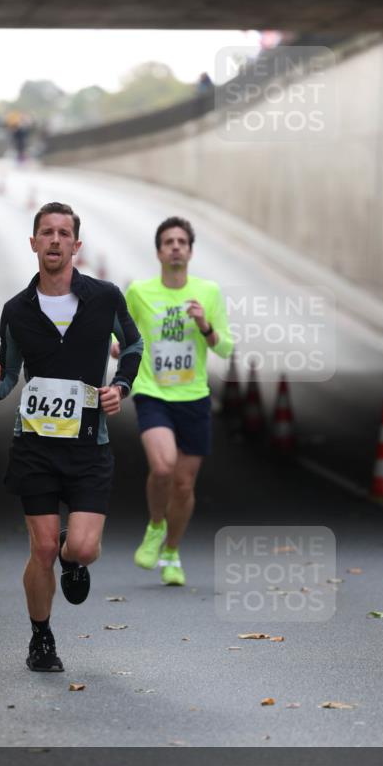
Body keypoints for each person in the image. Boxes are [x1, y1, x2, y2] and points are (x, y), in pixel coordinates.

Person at [0, 202, 143, 673]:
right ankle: (41, 640)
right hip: (35, 448)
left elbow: (133, 345)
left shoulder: (105, 297)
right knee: (41, 549)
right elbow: (7, 376)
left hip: (91, 446)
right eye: (46, 232)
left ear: (76, 245)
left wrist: (120, 387)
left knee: (82, 549)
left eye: (63, 233)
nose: (54, 240)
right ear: (33, 243)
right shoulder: (16, 310)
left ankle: (74, 556)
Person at [124, 216, 232, 586]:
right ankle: (156, 525)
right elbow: (118, 328)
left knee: (184, 486)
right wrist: (117, 346)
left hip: (194, 397)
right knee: (164, 467)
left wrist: (205, 325)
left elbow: (227, 346)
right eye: (168, 241)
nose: (174, 247)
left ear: (189, 251)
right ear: (158, 251)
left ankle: (171, 550)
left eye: (181, 242)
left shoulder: (209, 293)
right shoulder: (139, 291)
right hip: (152, 391)